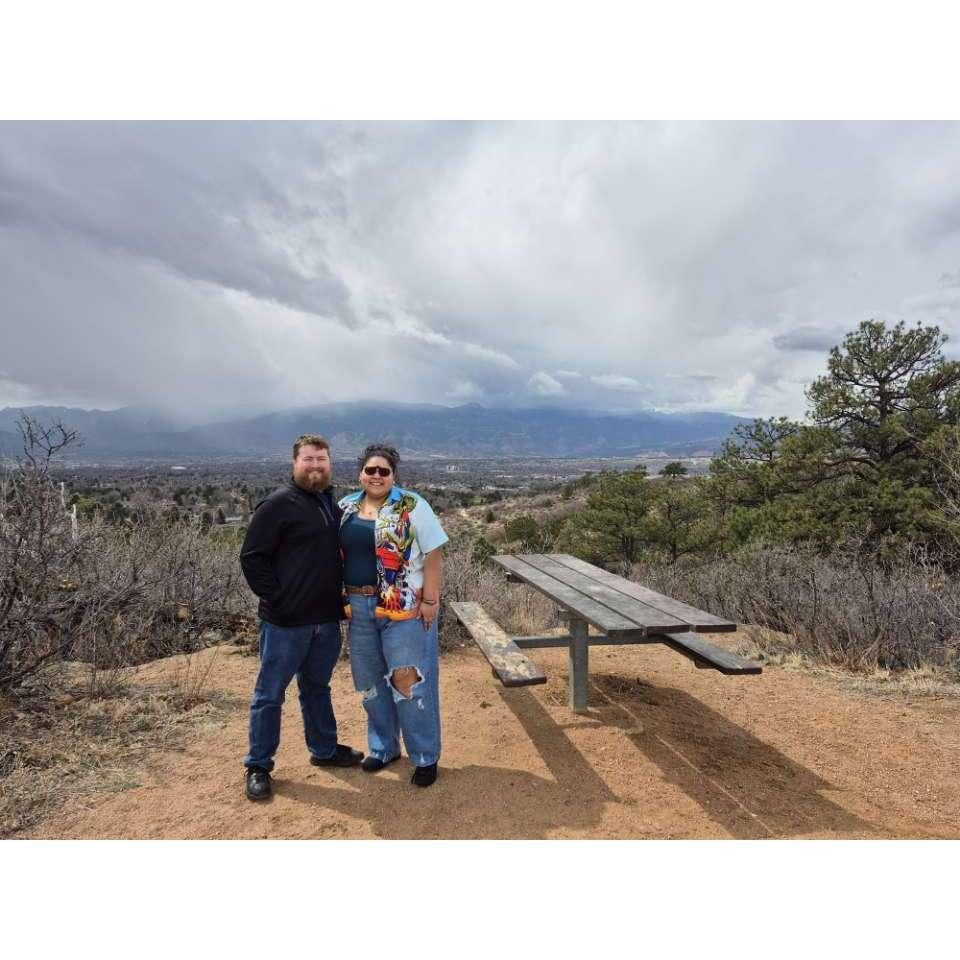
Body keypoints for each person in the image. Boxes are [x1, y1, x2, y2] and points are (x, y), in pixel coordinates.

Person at [239, 433, 363, 802]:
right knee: (269, 695)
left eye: (321, 460)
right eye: (308, 460)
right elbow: (252, 559)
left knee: (316, 688)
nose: (315, 466)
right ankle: (258, 765)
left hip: (325, 621)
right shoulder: (277, 505)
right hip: (284, 623)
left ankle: (323, 750)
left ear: (329, 464)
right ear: (295, 463)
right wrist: (278, 599)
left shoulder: (330, 505)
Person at [339, 443, 448, 787]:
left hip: (405, 609)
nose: (376, 476)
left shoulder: (412, 505)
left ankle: (424, 756)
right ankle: (384, 748)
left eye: (383, 471)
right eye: (370, 470)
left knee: (408, 680)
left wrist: (431, 600)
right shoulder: (345, 507)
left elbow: (433, 553)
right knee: (371, 682)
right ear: (360, 473)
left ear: (393, 475)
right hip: (357, 607)